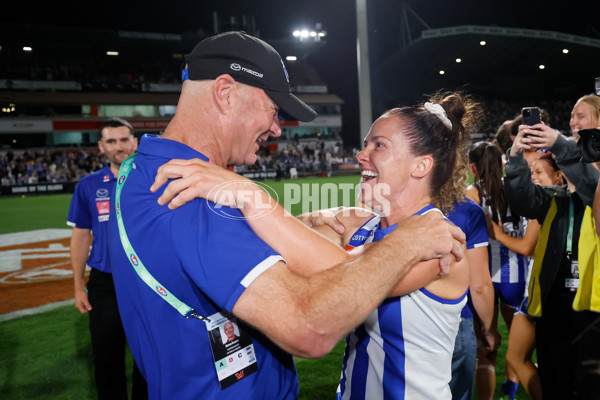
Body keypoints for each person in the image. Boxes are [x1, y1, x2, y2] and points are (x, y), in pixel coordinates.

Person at [107, 31, 465, 400]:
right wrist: (406, 241)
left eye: (379, 145)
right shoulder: (190, 192)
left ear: (422, 165)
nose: (277, 128)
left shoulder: (147, 173)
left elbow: (322, 260)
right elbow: (310, 324)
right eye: (274, 110)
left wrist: (262, 202)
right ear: (225, 92)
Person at [506, 120, 600, 399]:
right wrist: (515, 159)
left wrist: (559, 143)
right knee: (554, 383)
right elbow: (522, 199)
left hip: (591, 310)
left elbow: (590, 183)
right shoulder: (554, 199)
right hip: (553, 308)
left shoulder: (595, 193)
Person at [67, 117, 147, 400]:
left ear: (135, 142)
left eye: (125, 139)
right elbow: (80, 237)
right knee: (106, 357)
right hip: (105, 283)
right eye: (111, 141)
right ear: (101, 146)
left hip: (145, 281)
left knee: (147, 357)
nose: (119, 146)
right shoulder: (88, 186)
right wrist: (78, 287)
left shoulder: (152, 180)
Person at [465, 141, 527, 400]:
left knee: (485, 349)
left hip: (484, 277)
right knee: (516, 347)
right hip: (516, 277)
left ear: (472, 167)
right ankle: (510, 391)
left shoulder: (472, 194)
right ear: (502, 163)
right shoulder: (516, 189)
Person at [448, 197, 499, 400]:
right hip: (454, 318)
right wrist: (488, 329)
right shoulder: (467, 210)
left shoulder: (401, 205)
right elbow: (479, 285)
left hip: (404, 320)